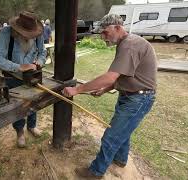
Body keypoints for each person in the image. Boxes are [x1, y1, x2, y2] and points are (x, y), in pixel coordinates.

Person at [62, 14, 157, 178]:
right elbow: (124, 75)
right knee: (122, 132)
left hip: (139, 98)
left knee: (111, 137)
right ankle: (120, 159)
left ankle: (95, 172)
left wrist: (77, 90)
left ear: (118, 28)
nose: (102, 36)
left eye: (105, 32)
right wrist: (105, 90)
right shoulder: (126, 43)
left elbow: (110, 76)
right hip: (131, 95)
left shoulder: (129, 46)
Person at [0, 11, 46, 148]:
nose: (29, 37)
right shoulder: (6, 33)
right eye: (26, 34)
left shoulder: (37, 33)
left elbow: (42, 52)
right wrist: (19, 67)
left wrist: (39, 61)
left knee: (34, 101)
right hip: (13, 76)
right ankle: (20, 131)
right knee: (18, 107)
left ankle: (32, 126)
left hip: (32, 76)